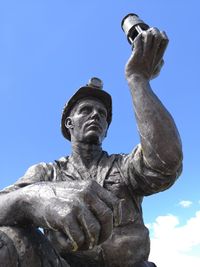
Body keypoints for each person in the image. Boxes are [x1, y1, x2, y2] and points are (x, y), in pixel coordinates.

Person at [0, 27, 182, 267]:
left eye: (103, 114)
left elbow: (165, 163)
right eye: (86, 110)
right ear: (69, 124)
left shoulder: (124, 167)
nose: (96, 116)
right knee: (8, 237)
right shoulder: (47, 173)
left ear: (106, 129)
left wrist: (138, 78)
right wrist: (30, 199)